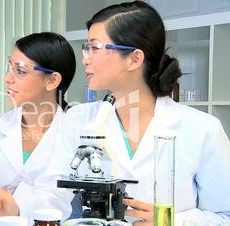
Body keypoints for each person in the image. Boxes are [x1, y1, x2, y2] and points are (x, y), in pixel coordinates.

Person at [53, 1, 230, 225]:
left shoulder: (202, 129)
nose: (85, 58)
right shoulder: (77, 118)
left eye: (95, 48)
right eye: (86, 48)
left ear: (135, 58)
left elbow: (226, 215)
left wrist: (169, 221)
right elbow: (54, 197)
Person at [0, 32, 76, 224]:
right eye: (10, 68)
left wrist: (16, 206)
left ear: (52, 80)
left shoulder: (72, 135)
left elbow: (56, 197)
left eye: (20, 71)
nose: (7, 79)